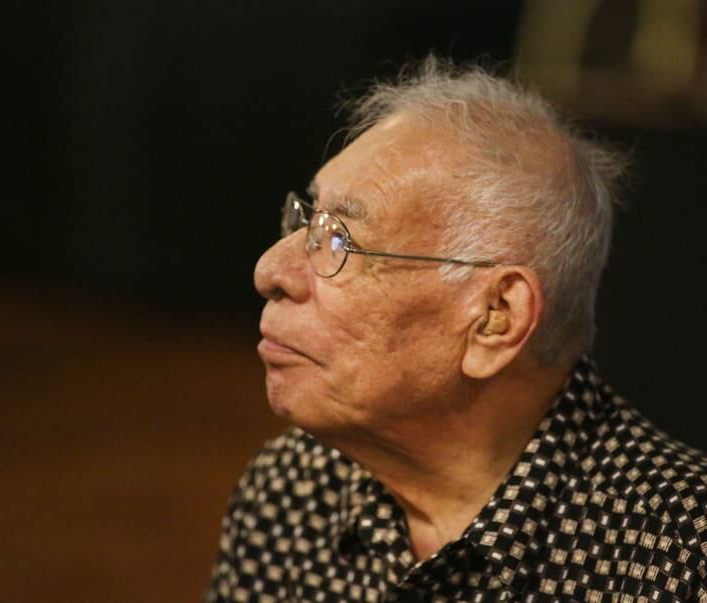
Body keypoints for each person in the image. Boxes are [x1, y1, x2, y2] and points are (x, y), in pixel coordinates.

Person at [205, 57, 707, 602]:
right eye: (305, 220)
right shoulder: (290, 493)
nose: (269, 271)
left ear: (497, 318)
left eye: (339, 240)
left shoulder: (678, 560)